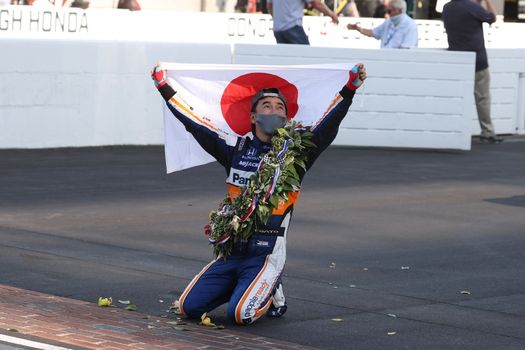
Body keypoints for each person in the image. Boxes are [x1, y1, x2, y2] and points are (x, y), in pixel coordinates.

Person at [151, 63, 367, 325]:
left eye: (280, 108)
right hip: (232, 251)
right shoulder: (234, 148)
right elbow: (195, 124)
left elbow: (328, 124)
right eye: (267, 106)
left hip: (267, 253)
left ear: (287, 119)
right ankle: (247, 285)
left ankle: (272, 288)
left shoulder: (296, 153)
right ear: (253, 117)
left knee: (241, 315)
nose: (274, 111)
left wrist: (350, 89)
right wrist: (165, 89)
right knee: (188, 308)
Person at [442, 0, 504, 143]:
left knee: (456, 97)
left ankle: (452, 130)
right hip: (477, 60)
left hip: (456, 59)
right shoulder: (473, 7)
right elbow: (493, 18)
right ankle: (487, 131)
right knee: (482, 98)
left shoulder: (447, 8)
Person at [347, 0, 418, 48]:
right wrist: (358, 28)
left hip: (399, 62)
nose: (388, 13)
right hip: (385, 57)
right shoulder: (388, 22)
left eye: (389, 11)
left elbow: (408, 49)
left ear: (398, 10)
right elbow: (373, 32)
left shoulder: (410, 25)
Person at [267, 0, 339, 45]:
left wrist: (278, 20)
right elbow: (316, 3)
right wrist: (332, 14)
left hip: (278, 29)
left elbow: (269, 6)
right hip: (292, 26)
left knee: (286, 62)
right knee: (305, 58)